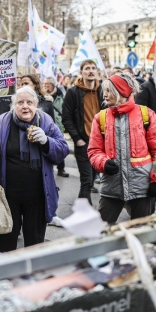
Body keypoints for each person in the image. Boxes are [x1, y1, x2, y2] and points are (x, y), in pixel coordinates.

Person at [0, 86, 69, 252]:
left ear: (36, 105)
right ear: (14, 105)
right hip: (8, 196)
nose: (25, 106)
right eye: (20, 102)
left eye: (29, 102)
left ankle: (32, 276)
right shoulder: (1, 121)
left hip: (37, 196)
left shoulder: (46, 121)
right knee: (7, 244)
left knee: (34, 244)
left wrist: (47, 141)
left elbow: (62, 150)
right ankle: (7, 276)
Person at [87, 74, 156, 223]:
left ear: (122, 91)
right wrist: (103, 163)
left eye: (109, 90)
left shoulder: (146, 114)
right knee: (101, 233)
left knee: (140, 236)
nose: (105, 94)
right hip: (112, 187)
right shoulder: (100, 118)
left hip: (142, 186)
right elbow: (94, 151)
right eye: (105, 90)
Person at [62, 60, 105, 204]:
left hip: (101, 143)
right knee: (86, 181)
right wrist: (77, 139)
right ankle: (85, 214)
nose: (91, 71)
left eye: (93, 68)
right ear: (81, 72)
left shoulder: (103, 90)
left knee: (92, 178)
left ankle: (82, 210)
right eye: (87, 68)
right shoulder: (73, 93)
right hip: (84, 142)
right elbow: (66, 118)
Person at [43, 77, 68, 177]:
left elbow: (66, 110)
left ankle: (61, 169)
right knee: (48, 146)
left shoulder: (61, 96)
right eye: (44, 84)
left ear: (52, 85)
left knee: (59, 146)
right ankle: (48, 169)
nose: (45, 86)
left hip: (58, 125)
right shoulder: (43, 96)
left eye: (47, 84)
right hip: (47, 125)